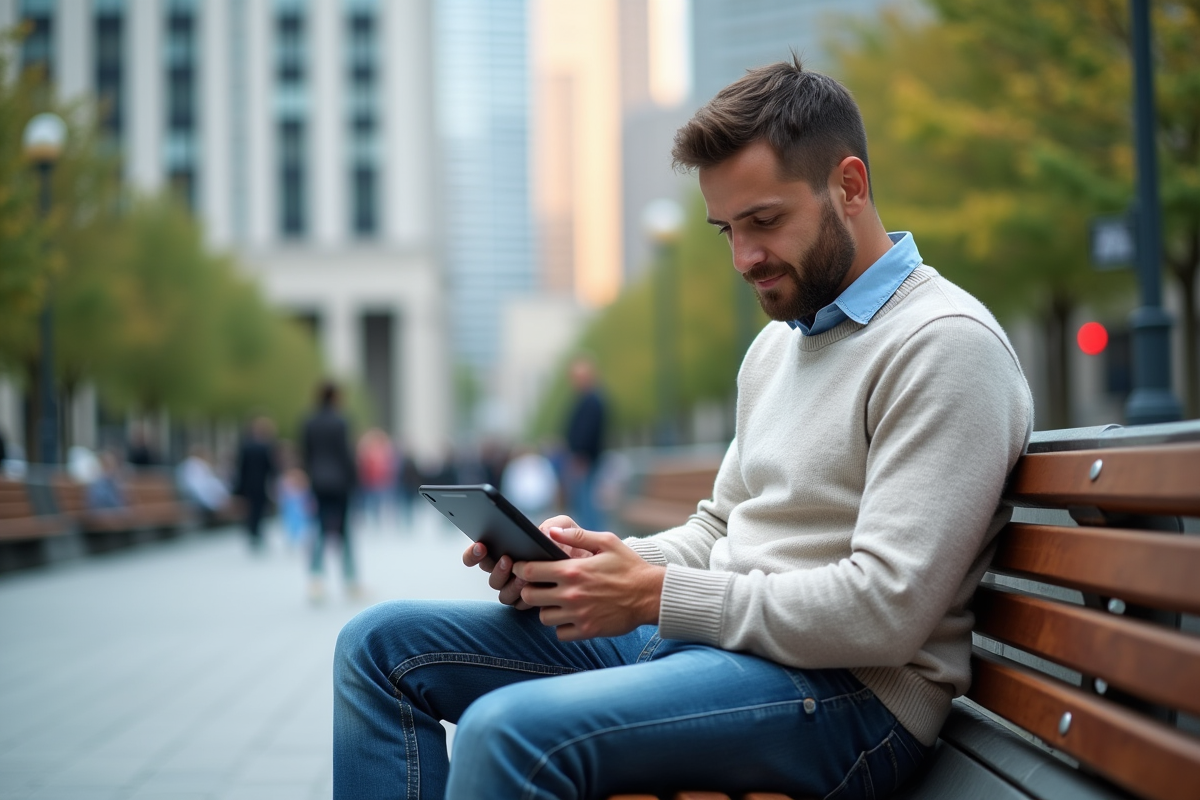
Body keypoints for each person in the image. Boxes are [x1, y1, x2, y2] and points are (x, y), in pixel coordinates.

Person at [332, 57, 1033, 800]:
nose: (743, 258)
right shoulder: (778, 345)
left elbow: (884, 610)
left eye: (764, 222)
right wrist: (594, 566)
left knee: (505, 734)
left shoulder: (945, 345)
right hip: (722, 648)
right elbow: (718, 527)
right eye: (726, 230)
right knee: (378, 648)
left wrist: (654, 596)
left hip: (847, 698)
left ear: (850, 188)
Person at [303, 382, 360, 601]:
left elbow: (306, 453)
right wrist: (354, 482)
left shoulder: (309, 422)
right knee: (344, 531)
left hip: (318, 482)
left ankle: (316, 579)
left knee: (319, 528)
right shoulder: (341, 421)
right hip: (340, 483)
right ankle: (350, 580)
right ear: (335, 397)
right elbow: (346, 455)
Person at [562, 356, 608, 531]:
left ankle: (592, 540)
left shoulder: (592, 400)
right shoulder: (586, 399)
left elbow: (588, 432)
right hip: (584, 459)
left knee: (587, 504)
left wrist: (580, 456)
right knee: (583, 504)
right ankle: (590, 537)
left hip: (585, 460)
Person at [233, 417, 279, 551]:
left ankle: (252, 532)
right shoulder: (267, 447)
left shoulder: (246, 446)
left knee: (251, 508)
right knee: (259, 508)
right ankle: (257, 532)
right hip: (261, 484)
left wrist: (239, 487)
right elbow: (271, 467)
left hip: (248, 483)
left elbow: (241, 468)